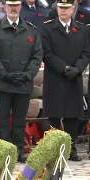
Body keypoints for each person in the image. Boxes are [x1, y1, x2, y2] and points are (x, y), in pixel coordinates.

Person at [0, 0, 43, 163]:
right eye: (10, 5)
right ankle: (4, 152)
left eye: (16, 5)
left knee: (19, 121)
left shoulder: (31, 30)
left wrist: (28, 74)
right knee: (2, 120)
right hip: (2, 83)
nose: (13, 9)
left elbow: (37, 55)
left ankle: (18, 151)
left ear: (20, 7)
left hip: (23, 83)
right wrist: (4, 74)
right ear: (4, 7)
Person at [40, 0, 90, 162]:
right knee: (54, 116)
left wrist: (77, 69)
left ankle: (70, 149)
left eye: (66, 8)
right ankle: (54, 150)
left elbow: (86, 53)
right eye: (60, 7)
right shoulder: (47, 27)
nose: (63, 11)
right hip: (55, 77)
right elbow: (46, 53)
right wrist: (64, 68)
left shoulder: (81, 29)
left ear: (73, 9)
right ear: (57, 8)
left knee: (72, 117)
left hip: (74, 78)